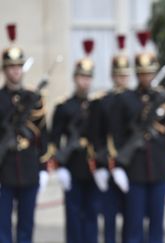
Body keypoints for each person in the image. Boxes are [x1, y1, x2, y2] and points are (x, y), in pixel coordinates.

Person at [110, 31, 165, 243]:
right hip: (134, 170)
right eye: (142, 73)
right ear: (136, 74)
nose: (146, 77)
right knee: (133, 226)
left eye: (150, 73)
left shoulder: (163, 98)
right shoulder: (126, 99)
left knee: (157, 227)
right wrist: (118, 165)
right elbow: (117, 134)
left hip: (158, 169)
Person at [0, 23, 48, 243]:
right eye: (11, 67)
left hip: (29, 169)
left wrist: (44, 167)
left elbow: (43, 133)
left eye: (19, 66)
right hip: (3, 172)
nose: (15, 70)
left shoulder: (33, 98)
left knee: (26, 227)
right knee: (2, 228)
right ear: (4, 70)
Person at [49, 39, 99, 243]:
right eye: (81, 77)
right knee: (73, 217)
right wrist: (59, 166)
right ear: (74, 78)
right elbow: (54, 139)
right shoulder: (64, 107)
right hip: (71, 167)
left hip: (93, 168)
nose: (84, 82)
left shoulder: (98, 106)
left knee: (92, 216)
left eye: (88, 77)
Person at [88, 34, 130, 243]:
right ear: (112, 76)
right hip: (108, 166)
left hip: (130, 169)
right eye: (118, 74)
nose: (121, 78)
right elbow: (95, 136)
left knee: (132, 222)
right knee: (109, 221)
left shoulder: (134, 100)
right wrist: (101, 167)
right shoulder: (101, 102)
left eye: (125, 75)